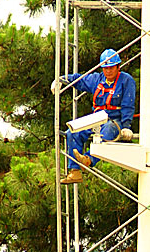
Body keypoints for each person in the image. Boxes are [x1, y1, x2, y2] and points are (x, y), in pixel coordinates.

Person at [53, 48, 136, 184]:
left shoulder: (126, 81)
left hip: (115, 121)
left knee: (108, 130)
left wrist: (126, 126)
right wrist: (61, 80)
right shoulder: (97, 79)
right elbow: (79, 79)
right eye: (105, 68)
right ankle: (74, 171)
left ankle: (88, 159)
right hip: (97, 118)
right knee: (72, 132)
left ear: (118, 67)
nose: (108, 71)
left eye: (111, 68)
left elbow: (128, 104)